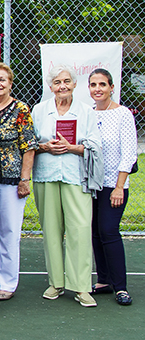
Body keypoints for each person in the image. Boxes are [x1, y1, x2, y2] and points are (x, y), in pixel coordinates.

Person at [32, 64, 103, 308]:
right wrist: (46, 147)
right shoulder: (40, 110)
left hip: (76, 176)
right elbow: (30, 143)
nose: (62, 86)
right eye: (57, 82)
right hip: (46, 175)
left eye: (66, 81)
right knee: (51, 230)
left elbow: (94, 145)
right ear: (51, 87)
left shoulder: (86, 112)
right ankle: (56, 283)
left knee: (80, 229)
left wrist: (72, 148)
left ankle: (82, 287)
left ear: (74, 84)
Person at [0, 62, 37, 301]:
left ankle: (7, 282)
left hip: (11, 180)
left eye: (2, 79)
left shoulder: (20, 109)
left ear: (10, 83)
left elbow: (29, 146)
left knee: (9, 231)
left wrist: (25, 179)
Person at [88, 68, 137, 306]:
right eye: (93, 85)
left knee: (108, 231)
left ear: (111, 87)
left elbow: (128, 154)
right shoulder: (88, 113)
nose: (98, 89)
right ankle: (104, 280)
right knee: (95, 232)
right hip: (92, 184)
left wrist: (119, 187)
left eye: (102, 84)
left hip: (113, 185)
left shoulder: (123, 114)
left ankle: (121, 287)